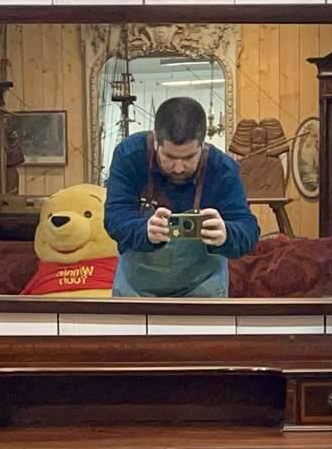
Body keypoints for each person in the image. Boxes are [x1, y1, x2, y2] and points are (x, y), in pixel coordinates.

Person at [103, 97, 260, 298]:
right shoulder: (129, 156)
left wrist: (227, 235)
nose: (178, 168)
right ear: (156, 140)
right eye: (169, 157)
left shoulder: (223, 169)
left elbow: (248, 229)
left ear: (202, 145)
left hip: (203, 290)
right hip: (135, 291)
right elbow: (114, 218)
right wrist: (143, 231)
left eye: (188, 158)